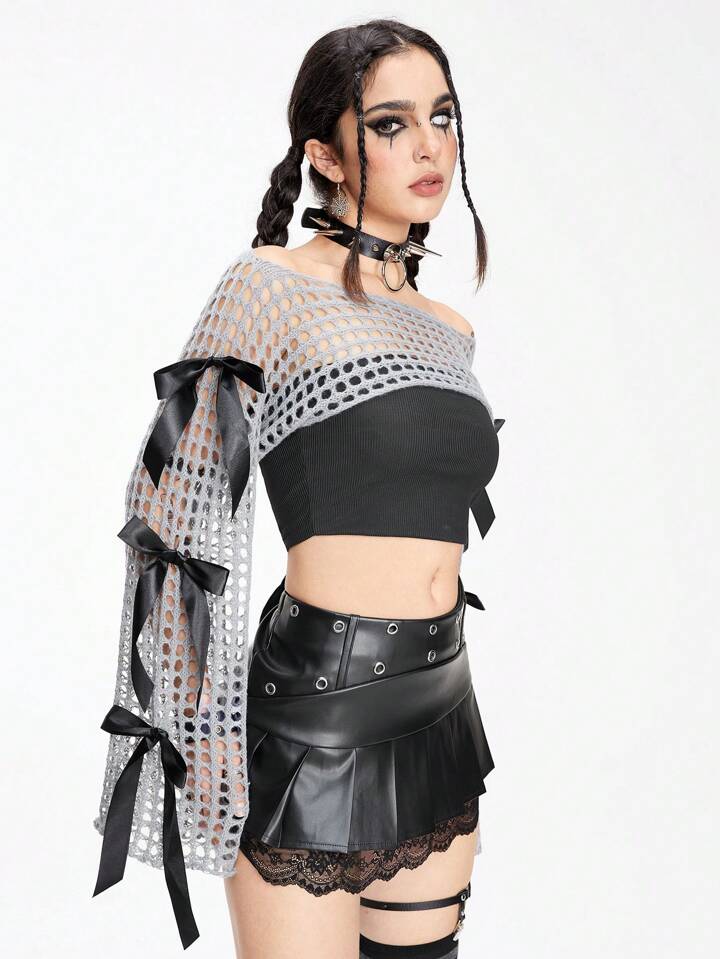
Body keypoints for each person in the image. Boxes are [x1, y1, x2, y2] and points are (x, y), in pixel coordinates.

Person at [92, 18, 503, 959]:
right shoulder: (268, 287)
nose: (430, 145)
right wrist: (200, 729)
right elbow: (169, 514)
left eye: (442, 116)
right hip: (312, 715)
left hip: (442, 704)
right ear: (324, 152)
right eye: (390, 123)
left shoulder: (449, 328)